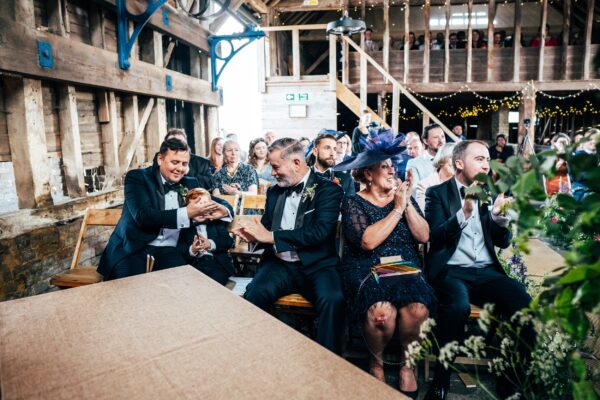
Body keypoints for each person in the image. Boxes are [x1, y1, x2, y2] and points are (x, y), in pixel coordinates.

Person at [423, 140, 533, 400]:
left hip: (485, 272)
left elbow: (502, 242)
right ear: (459, 163)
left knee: (524, 303)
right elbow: (434, 237)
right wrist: (464, 212)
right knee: (457, 307)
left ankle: (513, 378)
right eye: (480, 159)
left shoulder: (492, 194)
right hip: (451, 271)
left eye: (487, 159)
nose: (486, 164)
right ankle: (441, 379)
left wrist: (498, 220)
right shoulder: (437, 193)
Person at [334, 138, 434, 399]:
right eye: (385, 167)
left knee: (417, 310)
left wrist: (406, 203)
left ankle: (407, 364)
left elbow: (423, 236)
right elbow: (367, 242)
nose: (392, 171)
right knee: (382, 314)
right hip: (367, 268)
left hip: (403, 268)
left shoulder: (404, 199)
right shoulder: (352, 202)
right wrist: (397, 210)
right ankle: (376, 363)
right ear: (368, 173)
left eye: (393, 167)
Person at [233, 138, 346, 354]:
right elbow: (266, 227)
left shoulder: (328, 190)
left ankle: (330, 364)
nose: (272, 172)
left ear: (296, 162)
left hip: (317, 265)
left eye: (275, 166)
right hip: (279, 264)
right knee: (255, 294)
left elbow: (320, 232)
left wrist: (271, 237)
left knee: (334, 300)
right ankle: (257, 354)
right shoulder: (275, 192)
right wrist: (252, 236)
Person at [97, 139, 232, 280]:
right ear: (160, 159)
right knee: (130, 291)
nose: (180, 168)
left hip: (170, 251)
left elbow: (217, 201)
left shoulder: (190, 182)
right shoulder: (137, 178)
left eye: (184, 164)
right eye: (175, 162)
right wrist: (188, 213)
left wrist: (225, 210)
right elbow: (144, 217)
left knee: (180, 287)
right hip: (133, 249)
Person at [180, 188, 235, 285]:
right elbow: (180, 247)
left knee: (215, 281)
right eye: (197, 205)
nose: (201, 209)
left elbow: (228, 241)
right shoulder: (184, 226)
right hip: (194, 264)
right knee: (191, 282)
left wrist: (211, 244)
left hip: (217, 263)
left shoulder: (216, 223)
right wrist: (192, 250)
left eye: (205, 205)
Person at [406, 124, 446, 195]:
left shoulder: (453, 159)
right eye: (436, 137)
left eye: (442, 137)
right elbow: (415, 191)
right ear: (426, 141)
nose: (441, 141)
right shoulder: (413, 163)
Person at [415, 143, 455, 212]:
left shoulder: (463, 183)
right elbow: (424, 214)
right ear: (442, 159)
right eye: (452, 157)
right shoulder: (424, 185)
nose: (456, 162)